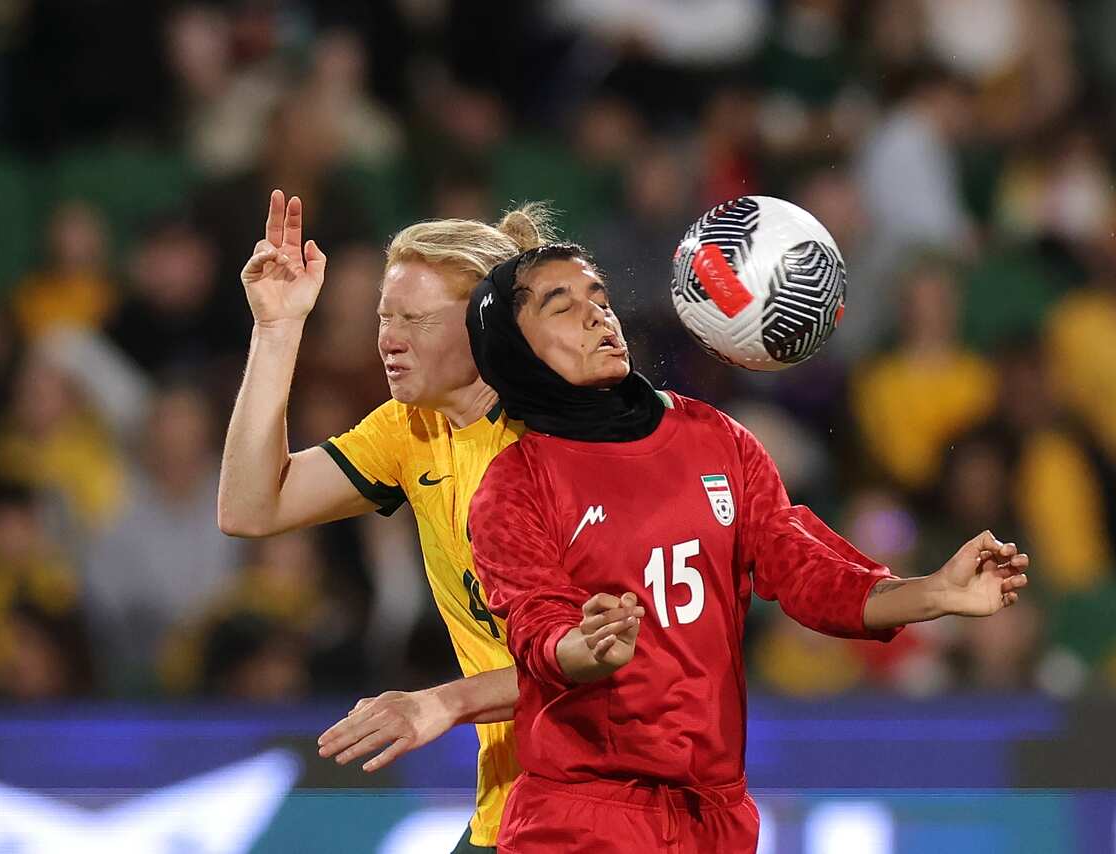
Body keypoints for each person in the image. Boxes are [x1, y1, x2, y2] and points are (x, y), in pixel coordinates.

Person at [465, 244, 1031, 853]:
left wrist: (935, 592)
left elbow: (810, 573)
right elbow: (538, 629)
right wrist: (585, 647)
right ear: (513, 350)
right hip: (584, 818)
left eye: (599, 297)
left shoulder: (716, 439)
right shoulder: (516, 484)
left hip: (718, 820)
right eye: (562, 305)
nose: (597, 314)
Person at [217, 190, 553, 853]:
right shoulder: (412, 428)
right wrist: (278, 330)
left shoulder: (567, 443)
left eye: (418, 320)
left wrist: (440, 702)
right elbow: (250, 508)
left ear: (489, 326)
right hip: (510, 813)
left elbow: (614, 654)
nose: (389, 341)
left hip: (614, 803)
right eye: (384, 317)